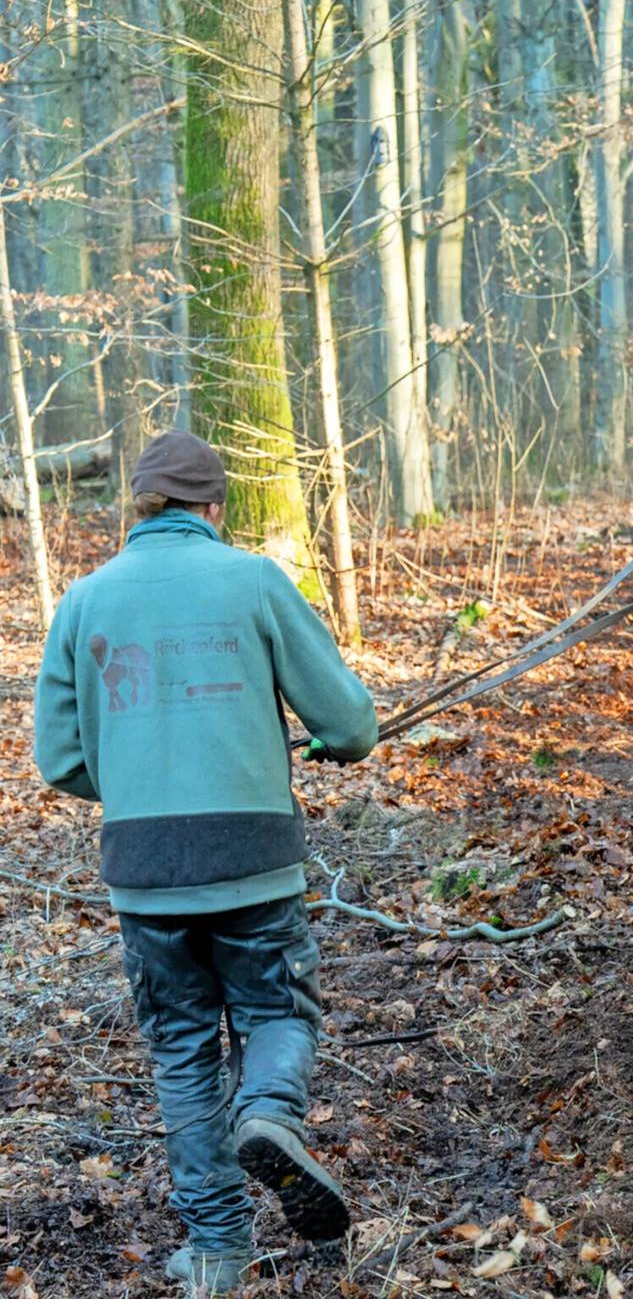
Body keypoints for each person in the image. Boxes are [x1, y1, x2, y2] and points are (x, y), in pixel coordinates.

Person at [33, 431, 377, 1294]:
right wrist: (327, 747)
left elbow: (58, 758)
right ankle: (269, 1114)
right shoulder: (254, 580)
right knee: (276, 1014)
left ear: (139, 508)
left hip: (143, 869)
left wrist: (136, 780)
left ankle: (219, 1252)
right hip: (252, 854)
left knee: (182, 1051)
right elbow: (351, 724)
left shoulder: (83, 600)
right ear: (214, 509)